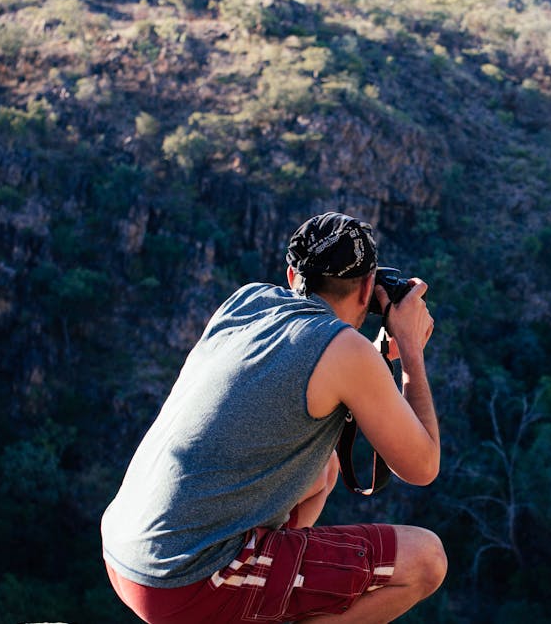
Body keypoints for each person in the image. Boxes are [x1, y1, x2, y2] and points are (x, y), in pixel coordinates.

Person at [101, 212, 445, 624]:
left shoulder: (247, 301)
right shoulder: (344, 351)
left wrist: (374, 356)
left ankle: (259, 602)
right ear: (369, 287)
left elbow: (305, 373)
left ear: (290, 275)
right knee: (426, 560)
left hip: (125, 555)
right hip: (186, 585)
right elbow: (422, 467)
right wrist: (409, 348)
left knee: (324, 472)